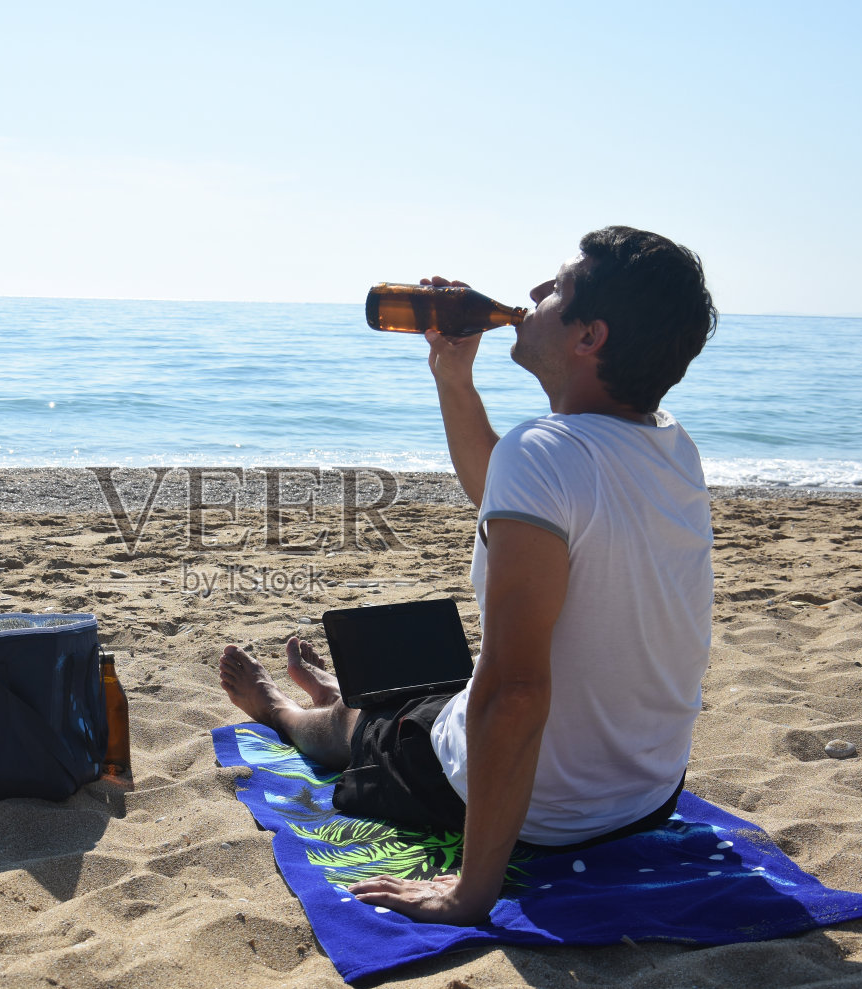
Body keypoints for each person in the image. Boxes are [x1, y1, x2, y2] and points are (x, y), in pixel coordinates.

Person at [218, 226, 718, 925]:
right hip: (645, 795)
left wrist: (471, 891)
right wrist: (453, 375)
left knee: (369, 727)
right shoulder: (669, 443)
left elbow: (515, 690)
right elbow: (505, 500)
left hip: (547, 809)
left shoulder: (541, 453)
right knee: (438, 682)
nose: (533, 293)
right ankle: (354, 698)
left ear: (589, 336)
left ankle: (290, 711)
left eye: (557, 288)